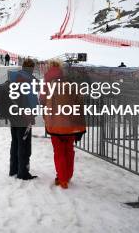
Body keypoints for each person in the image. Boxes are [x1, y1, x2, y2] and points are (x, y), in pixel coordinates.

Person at [41, 60, 86, 189]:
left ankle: (62, 178)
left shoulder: (47, 83)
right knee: (69, 150)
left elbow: (42, 101)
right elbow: (79, 103)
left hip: (55, 123)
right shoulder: (70, 83)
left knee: (59, 152)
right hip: (70, 124)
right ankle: (68, 175)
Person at [8, 58, 39, 180]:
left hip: (13, 115)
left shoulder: (13, 77)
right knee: (24, 144)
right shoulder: (28, 80)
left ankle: (13, 169)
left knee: (15, 142)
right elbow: (31, 100)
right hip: (24, 116)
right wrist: (32, 115)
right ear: (31, 68)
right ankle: (23, 172)